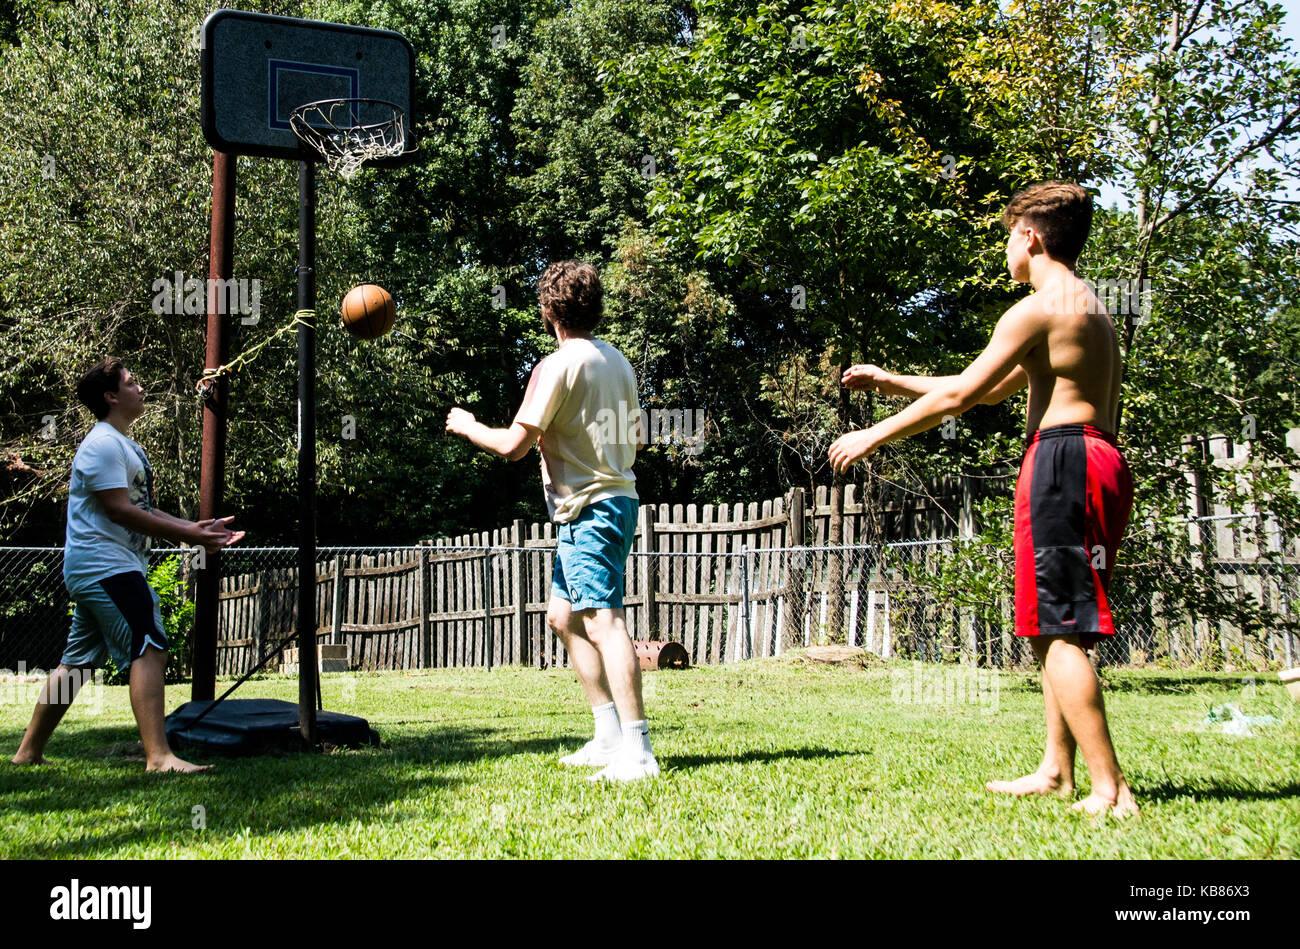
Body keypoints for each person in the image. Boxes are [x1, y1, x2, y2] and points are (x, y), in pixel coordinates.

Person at [829, 181, 1137, 817]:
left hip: (1063, 461)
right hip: (1098, 459)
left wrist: (873, 434)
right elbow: (990, 389)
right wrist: (891, 380)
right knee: (1053, 623)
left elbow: (961, 398)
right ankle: (1056, 769)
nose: (1004, 249)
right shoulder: (1086, 306)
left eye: (1007, 235)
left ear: (1028, 236)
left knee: (1057, 626)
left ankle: (1111, 789)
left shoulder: (1036, 307)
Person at [445, 261, 658, 782]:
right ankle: (608, 736)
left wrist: (471, 427)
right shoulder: (619, 361)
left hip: (592, 508)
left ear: (548, 311)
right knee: (562, 618)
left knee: (604, 622)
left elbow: (514, 446)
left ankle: (639, 752)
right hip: (606, 501)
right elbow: (634, 436)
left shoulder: (557, 365)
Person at [11, 359, 244, 773]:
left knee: (77, 663)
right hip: (107, 566)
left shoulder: (125, 444)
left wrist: (196, 527)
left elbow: (141, 508)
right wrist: (191, 537)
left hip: (107, 567)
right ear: (110, 396)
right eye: (131, 382)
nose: (140, 387)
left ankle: (27, 752)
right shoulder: (102, 444)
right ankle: (159, 757)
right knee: (150, 643)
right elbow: (119, 511)